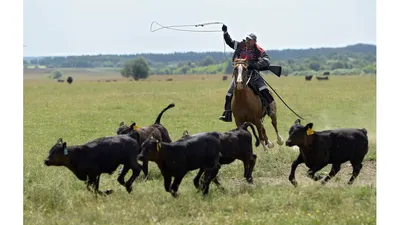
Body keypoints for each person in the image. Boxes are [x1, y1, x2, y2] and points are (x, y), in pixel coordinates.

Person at [219, 24, 274, 122]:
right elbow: (229, 42)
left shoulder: (258, 50)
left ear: (254, 41)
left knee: (263, 90)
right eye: (247, 39)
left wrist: (255, 65)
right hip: (239, 73)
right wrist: (225, 33)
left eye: (250, 40)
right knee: (229, 93)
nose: (247, 41)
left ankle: (269, 110)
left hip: (252, 74)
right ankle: (227, 113)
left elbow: (266, 60)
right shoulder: (240, 45)